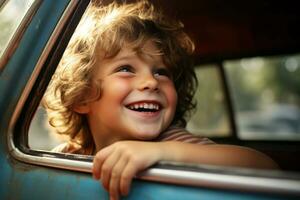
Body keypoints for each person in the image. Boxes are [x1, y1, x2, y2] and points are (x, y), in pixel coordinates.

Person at [43, 0, 278, 199]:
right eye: (126, 68)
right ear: (81, 96)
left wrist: (166, 153)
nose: (151, 82)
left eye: (161, 72)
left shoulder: (172, 142)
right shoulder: (70, 154)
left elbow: (265, 167)